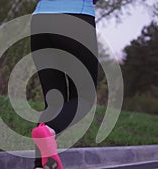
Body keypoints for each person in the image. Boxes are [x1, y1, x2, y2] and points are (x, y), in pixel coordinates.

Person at [30, 0, 99, 168]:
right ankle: (50, 130)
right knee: (85, 97)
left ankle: (41, 165)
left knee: (54, 103)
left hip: (39, 21)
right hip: (76, 16)